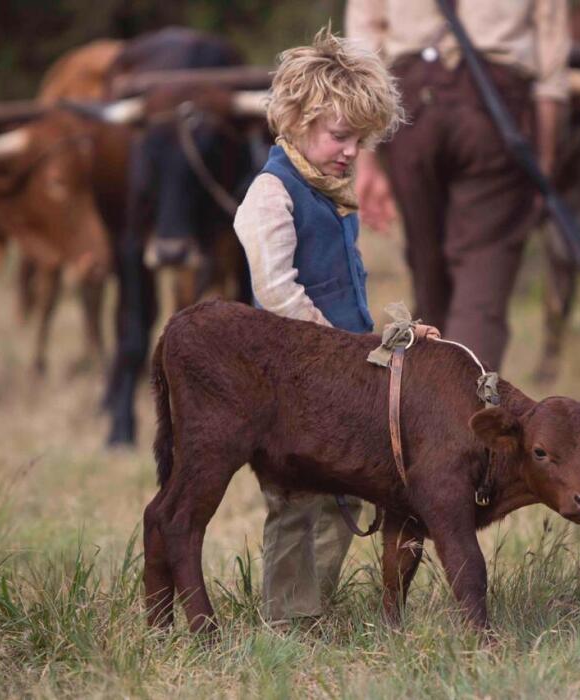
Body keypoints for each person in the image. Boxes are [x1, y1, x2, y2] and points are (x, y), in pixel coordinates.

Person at [232, 30, 402, 626]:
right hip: (295, 380)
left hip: (345, 376)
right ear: (298, 119)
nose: (353, 151)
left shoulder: (331, 194)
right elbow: (277, 291)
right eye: (340, 136)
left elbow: (348, 290)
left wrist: (386, 340)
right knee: (295, 500)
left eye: (361, 139)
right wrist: (339, 353)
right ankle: (288, 621)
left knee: (344, 493)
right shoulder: (270, 194)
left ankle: (316, 606)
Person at [345, 0, 570, 371]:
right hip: (495, 111)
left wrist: (366, 159)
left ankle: (425, 414)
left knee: (428, 277)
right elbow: (551, 68)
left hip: (411, 109)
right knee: (481, 285)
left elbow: (363, 46)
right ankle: (467, 418)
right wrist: (544, 159)